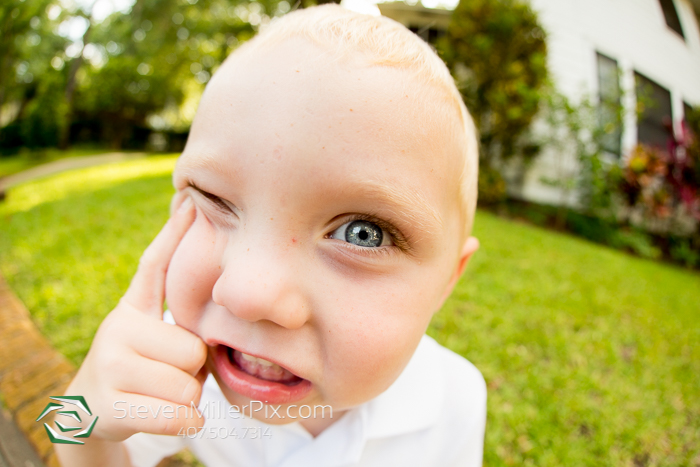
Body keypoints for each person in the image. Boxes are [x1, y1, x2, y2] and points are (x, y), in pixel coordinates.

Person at [55, 5, 486, 466]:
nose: (247, 293)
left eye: (364, 234)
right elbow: (63, 425)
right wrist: (81, 419)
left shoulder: (455, 401)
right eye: (216, 200)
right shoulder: (170, 360)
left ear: (447, 281)